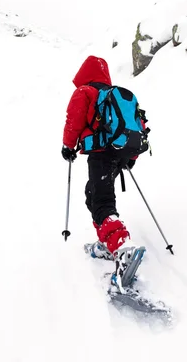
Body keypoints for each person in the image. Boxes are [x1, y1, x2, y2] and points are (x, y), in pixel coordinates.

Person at [61, 55, 145, 290]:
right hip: (120, 153)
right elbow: (138, 126)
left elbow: (73, 121)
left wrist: (68, 146)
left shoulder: (86, 92)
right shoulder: (116, 95)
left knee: (101, 201)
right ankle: (107, 241)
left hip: (101, 152)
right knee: (93, 194)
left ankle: (121, 247)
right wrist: (130, 157)